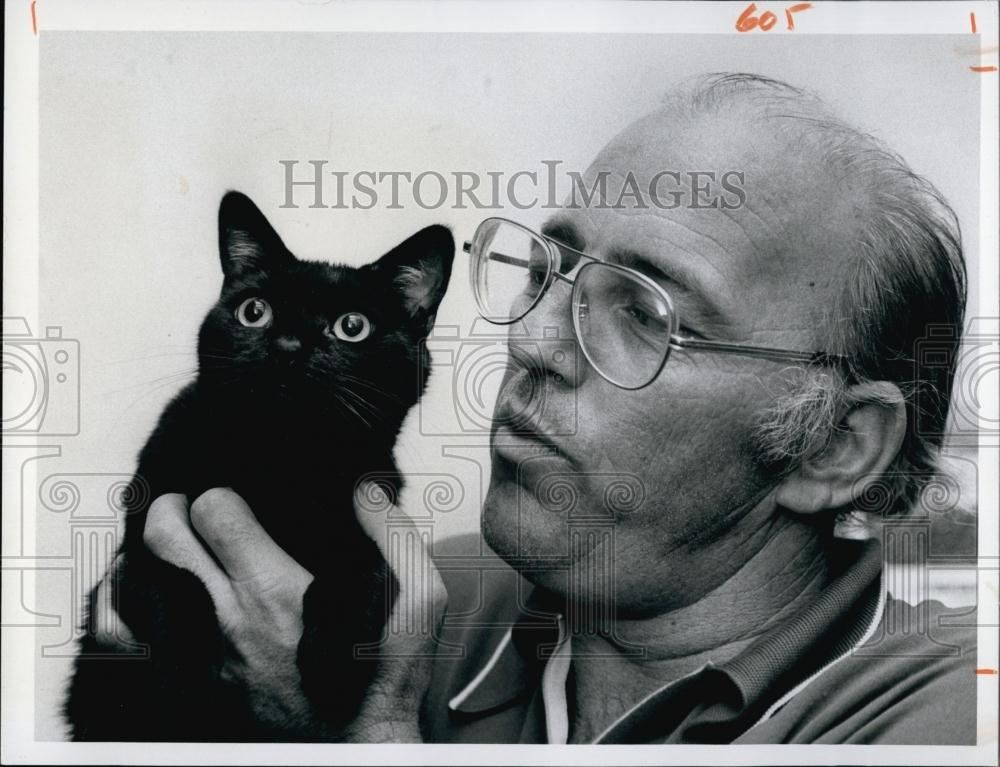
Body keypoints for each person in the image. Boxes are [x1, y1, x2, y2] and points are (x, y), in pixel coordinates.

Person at [93, 73, 975, 744]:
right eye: (551, 271)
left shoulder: (949, 720)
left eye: (643, 312)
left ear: (835, 447)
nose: (533, 342)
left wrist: (360, 727)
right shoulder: (397, 593)